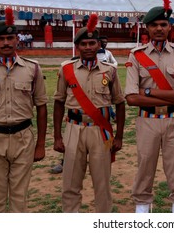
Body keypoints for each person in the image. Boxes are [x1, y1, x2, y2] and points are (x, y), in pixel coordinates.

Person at [0, 7, 48, 212]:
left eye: (10, 37)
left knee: (19, 199)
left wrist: (40, 145)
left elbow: (41, 107)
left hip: (23, 138)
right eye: (1, 38)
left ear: (17, 39)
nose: (6, 43)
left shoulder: (33, 68)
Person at [124, 0, 174, 213]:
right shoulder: (136, 56)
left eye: (163, 24)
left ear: (169, 27)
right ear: (147, 28)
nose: (159, 28)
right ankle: (143, 212)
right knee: (145, 169)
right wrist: (172, 95)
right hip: (147, 121)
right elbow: (131, 98)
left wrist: (149, 91)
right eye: (154, 25)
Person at [53, 14, 126, 213]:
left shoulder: (110, 70)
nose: (87, 47)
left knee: (102, 184)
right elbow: (59, 102)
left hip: (100, 132)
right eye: (83, 44)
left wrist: (118, 136)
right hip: (74, 129)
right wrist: (58, 136)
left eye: (91, 43)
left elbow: (119, 103)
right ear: (77, 46)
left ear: (98, 45)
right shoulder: (66, 69)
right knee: (70, 184)